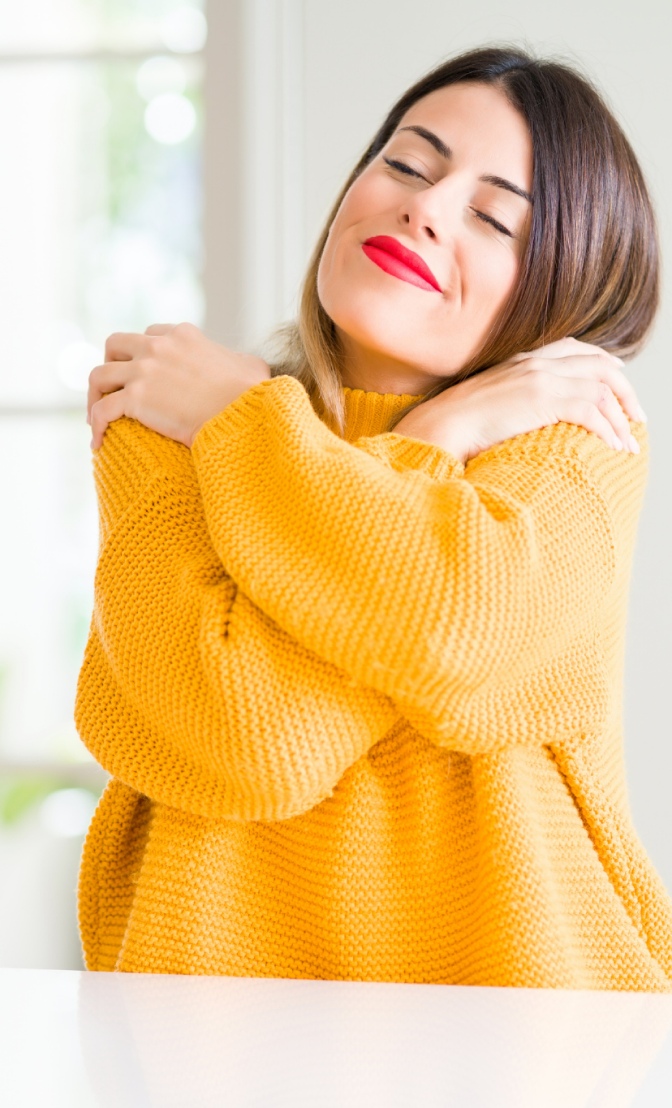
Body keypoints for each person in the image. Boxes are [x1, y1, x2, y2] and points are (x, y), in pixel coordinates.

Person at [77, 46, 672, 989]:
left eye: (492, 217)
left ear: (560, 282)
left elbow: (449, 621)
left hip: (537, 1049)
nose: (425, 209)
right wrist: (427, 440)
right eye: (406, 162)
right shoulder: (169, 431)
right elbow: (249, 737)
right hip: (200, 1047)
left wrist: (250, 423)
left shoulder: (573, 448)